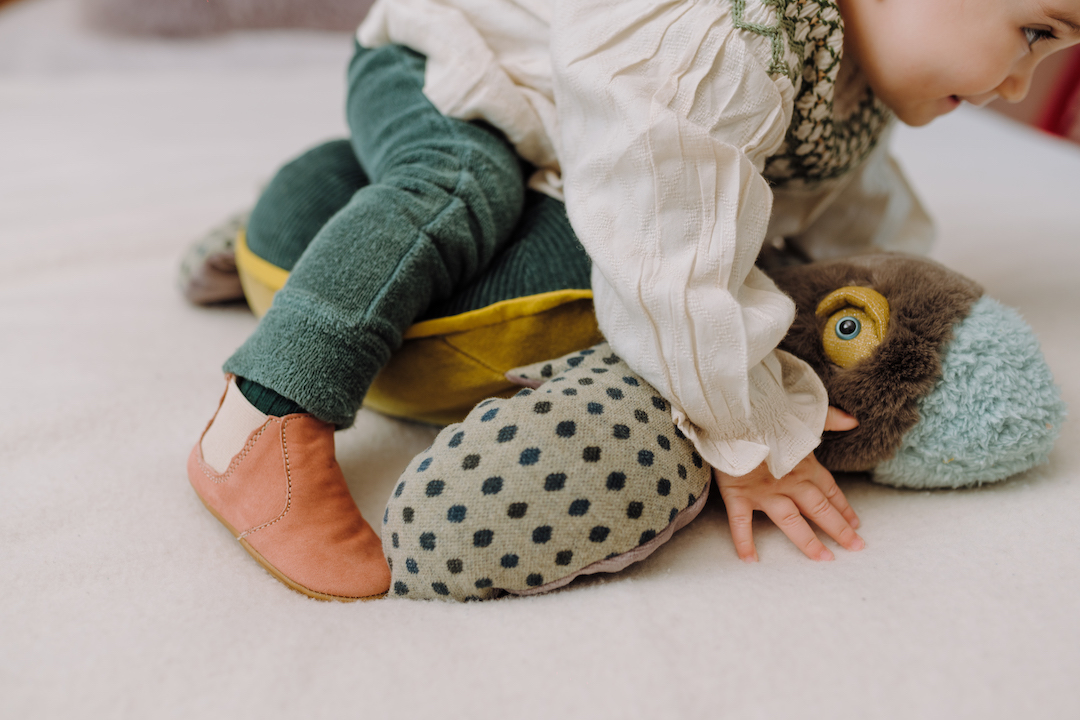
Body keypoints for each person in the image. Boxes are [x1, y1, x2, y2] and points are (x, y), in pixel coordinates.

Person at [185, 0, 1080, 601]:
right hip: (454, 60)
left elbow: (841, 213)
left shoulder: (858, 75)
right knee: (462, 183)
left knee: (538, 226)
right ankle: (265, 415)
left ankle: (308, 227)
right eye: (1036, 32)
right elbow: (668, 244)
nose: (1018, 86)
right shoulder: (734, 34)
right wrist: (740, 429)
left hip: (565, 126)